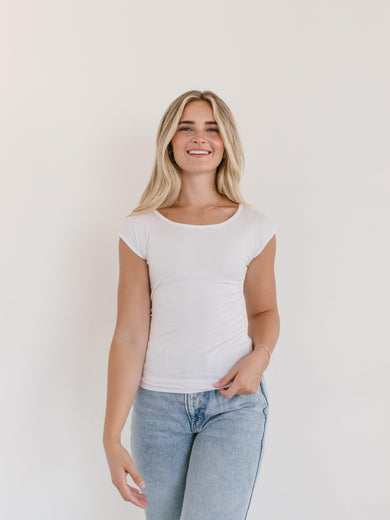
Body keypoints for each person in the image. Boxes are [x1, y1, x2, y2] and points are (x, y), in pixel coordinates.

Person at [103, 89, 280, 519]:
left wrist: (261, 356)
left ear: (226, 143)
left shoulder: (253, 226)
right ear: (169, 140)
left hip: (233, 405)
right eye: (186, 127)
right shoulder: (140, 229)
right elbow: (129, 335)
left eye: (211, 127)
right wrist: (111, 437)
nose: (198, 137)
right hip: (158, 410)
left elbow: (264, 312)